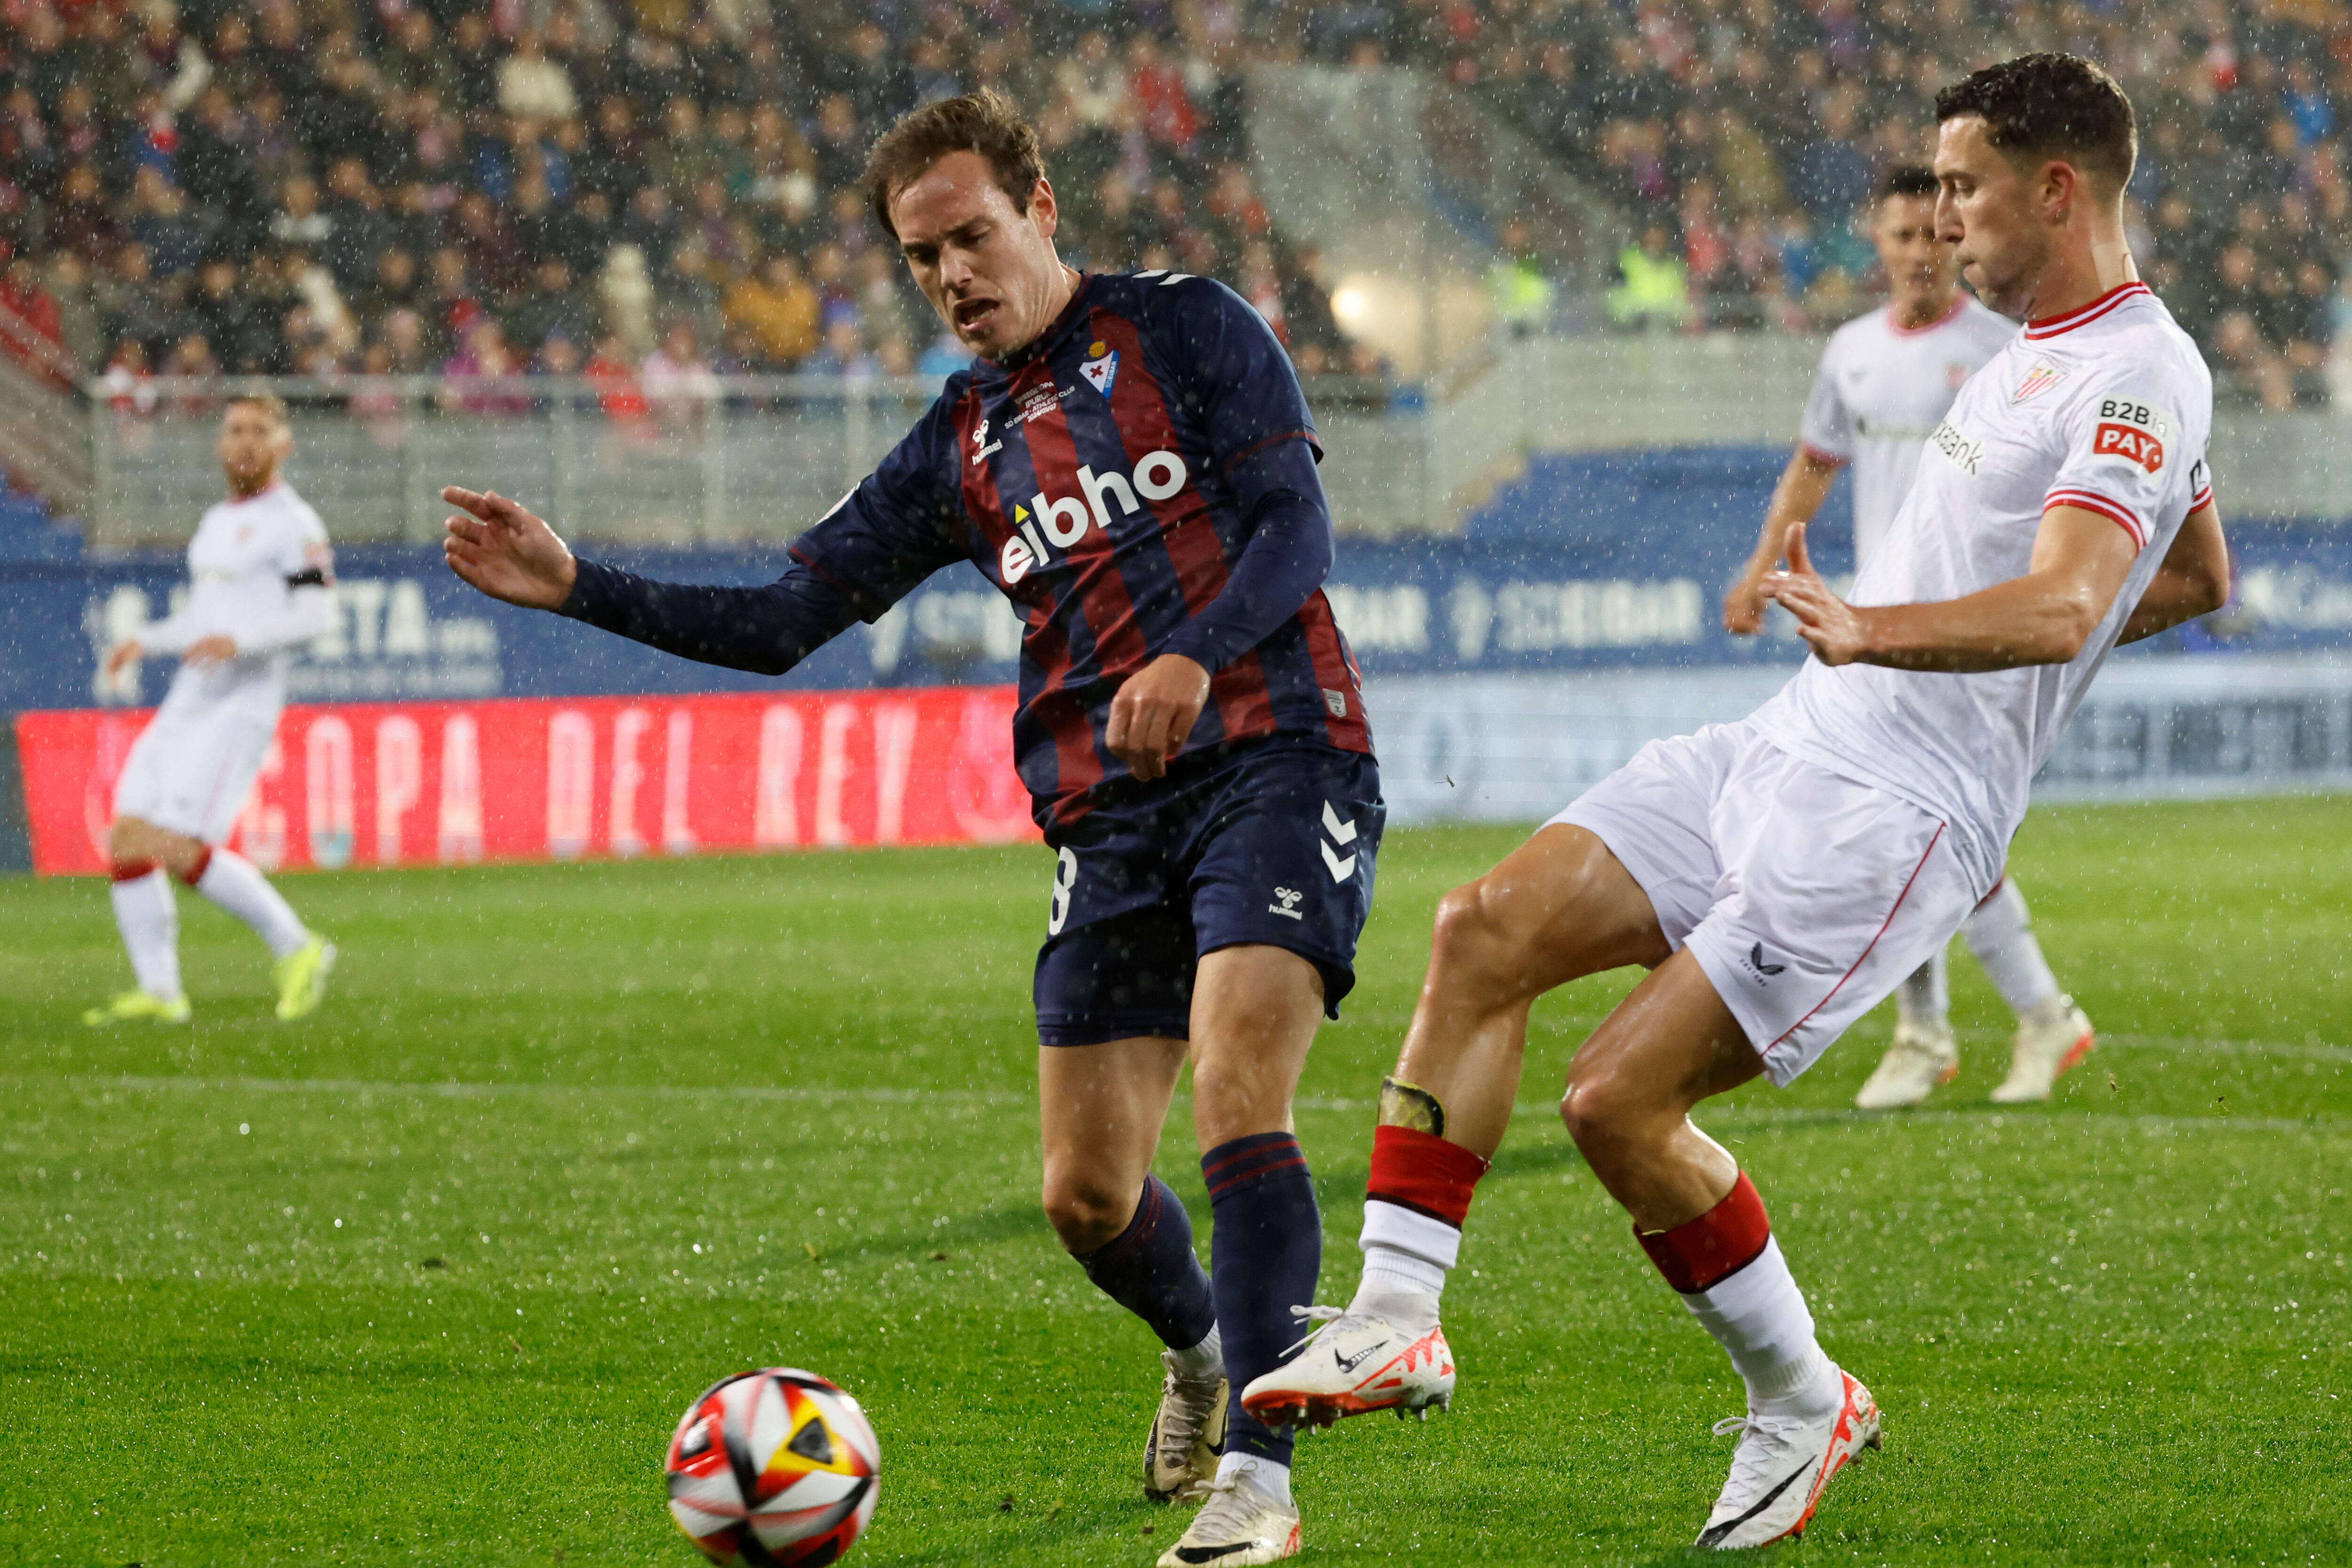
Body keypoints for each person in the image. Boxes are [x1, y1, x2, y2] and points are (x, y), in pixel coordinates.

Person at [1240, 54, 2229, 1551]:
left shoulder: (2137, 370)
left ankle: (1800, 1390)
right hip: (1791, 739)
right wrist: (1906, 648)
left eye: (1962, 187)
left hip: (1894, 811)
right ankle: (1394, 1318)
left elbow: (2071, 597)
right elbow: (2201, 578)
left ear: (2057, 188)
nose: (1940, 218)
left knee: (1616, 1103)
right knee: (1482, 927)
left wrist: (1885, 631)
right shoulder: (2037, 350)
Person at [440, 89, 1376, 1568]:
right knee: (1083, 1194)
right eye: (922, 253)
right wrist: (580, 587)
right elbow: (782, 619)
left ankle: (1259, 1478)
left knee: (1239, 1087)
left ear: (1043, 209)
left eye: (973, 236)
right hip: (1105, 813)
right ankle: (1203, 1352)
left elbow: (1295, 528)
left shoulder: (1187, 329)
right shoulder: (958, 441)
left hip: (1275, 748)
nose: (951, 274)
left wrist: (1195, 651)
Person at [1724, 164, 2094, 1111]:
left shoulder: (2003, 347)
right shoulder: (1850, 351)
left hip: (1962, 624)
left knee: (1923, 822)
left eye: (1935, 235)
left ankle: (2017, 1016)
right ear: (1877, 245)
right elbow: (1814, 464)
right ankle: (1943, 1029)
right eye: (1902, 236)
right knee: (1902, 822)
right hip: (1872, 618)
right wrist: (1760, 567)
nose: (1921, 253)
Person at [88, 395, 340, 1026]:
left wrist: (243, 642)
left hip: (241, 701)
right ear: (220, 445)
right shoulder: (215, 523)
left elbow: (318, 615)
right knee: (127, 837)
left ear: (284, 445)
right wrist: (146, 639)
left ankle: (298, 944)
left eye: (261, 430)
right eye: (235, 430)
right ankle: (161, 991)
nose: (247, 441)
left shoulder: (294, 524)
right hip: (190, 696)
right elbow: (206, 620)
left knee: (177, 844)